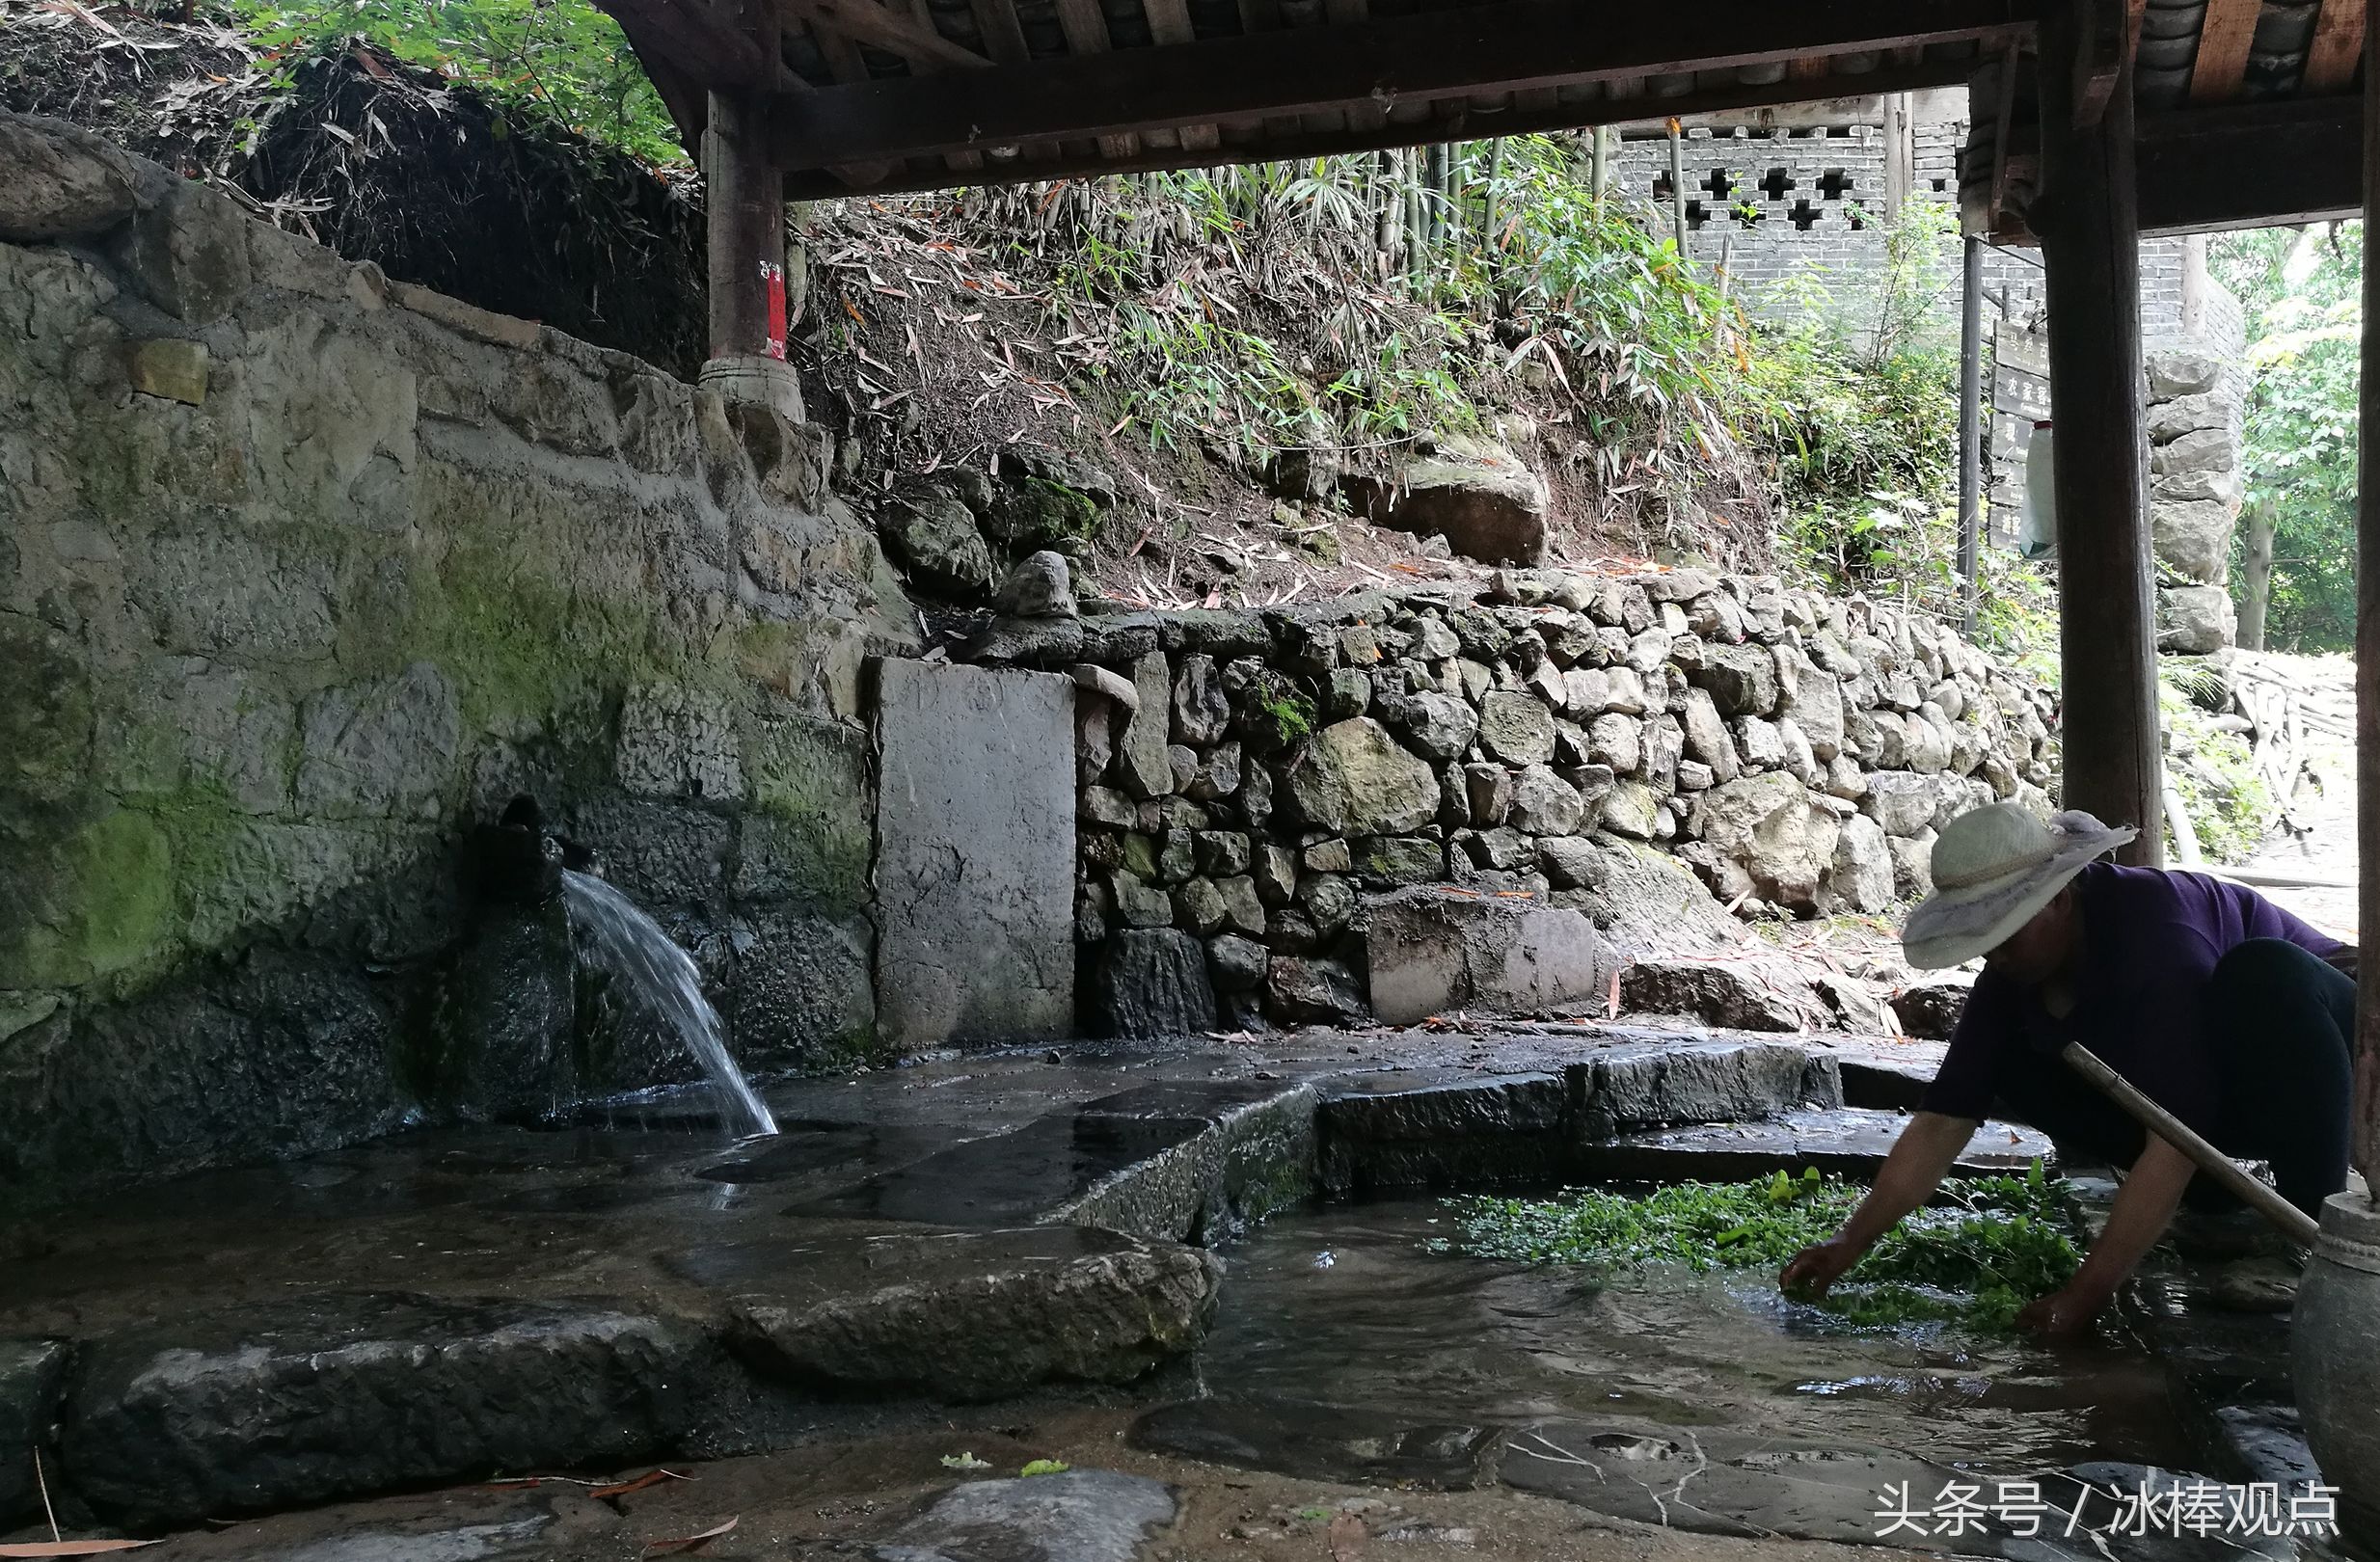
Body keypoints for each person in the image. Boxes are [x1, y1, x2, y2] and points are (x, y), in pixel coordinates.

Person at [1778, 800, 2355, 1338]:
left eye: (2008, 934)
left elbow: (2177, 1135)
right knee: (2025, 1066)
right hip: (2223, 1088)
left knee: (2264, 972)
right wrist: (1847, 1244)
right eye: (1985, 941)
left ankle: (2305, 1235)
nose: (1994, 955)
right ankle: (2220, 1201)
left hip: (2334, 1038)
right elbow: (1941, 1124)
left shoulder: (2158, 933)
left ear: (2058, 899)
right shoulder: (2011, 979)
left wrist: (2086, 1294)